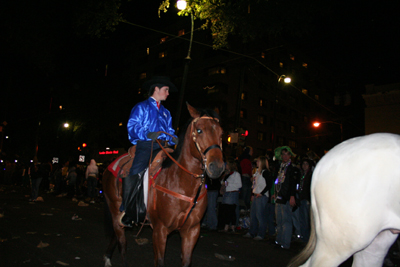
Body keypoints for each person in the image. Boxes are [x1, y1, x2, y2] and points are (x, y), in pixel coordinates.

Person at [120, 76, 178, 227]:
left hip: (164, 146)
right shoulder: (141, 107)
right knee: (136, 170)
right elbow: (132, 125)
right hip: (147, 145)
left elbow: (170, 130)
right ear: (156, 89)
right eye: (166, 90)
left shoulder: (166, 112)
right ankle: (127, 209)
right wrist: (147, 134)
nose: (168, 93)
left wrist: (174, 138)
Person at [273, 146, 300, 249]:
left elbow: (293, 183)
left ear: (290, 156)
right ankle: (279, 240)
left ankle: (286, 242)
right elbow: (277, 182)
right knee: (279, 220)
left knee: (286, 221)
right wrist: (275, 193)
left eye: (286, 154)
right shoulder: (280, 167)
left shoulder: (292, 168)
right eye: (283, 154)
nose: (284, 156)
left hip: (286, 197)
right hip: (278, 196)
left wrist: (292, 196)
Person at [243, 156, 272, 240]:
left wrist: (261, 193)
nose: (256, 163)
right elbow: (255, 184)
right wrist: (253, 194)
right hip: (256, 195)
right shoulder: (257, 172)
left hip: (261, 196)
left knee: (260, 215)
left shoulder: (265, 172)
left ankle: (261, 234)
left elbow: (269, 184)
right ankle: (252, 231)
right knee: (253, 215)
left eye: (258, 161)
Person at [218, 160, 242, 232]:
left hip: (232, 193)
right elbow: (222, 182)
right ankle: (227, 226)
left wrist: (228, 184)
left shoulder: (236, 174)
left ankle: (232, 226)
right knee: (226, 211)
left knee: (231, 211)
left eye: (227, 164)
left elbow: (239, 185)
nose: (226, 165)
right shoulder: (228, 174)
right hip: (227, 193)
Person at [296, 158, 314, 243]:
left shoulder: (310, 175)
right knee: (302, 219)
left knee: (307, 220)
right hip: (301, 198)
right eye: (303, 164)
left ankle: (307, 238)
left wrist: (309, 199)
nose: (304, 166)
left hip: (306, 199)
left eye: (306, 164)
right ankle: (303, 237)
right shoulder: (301, 174)